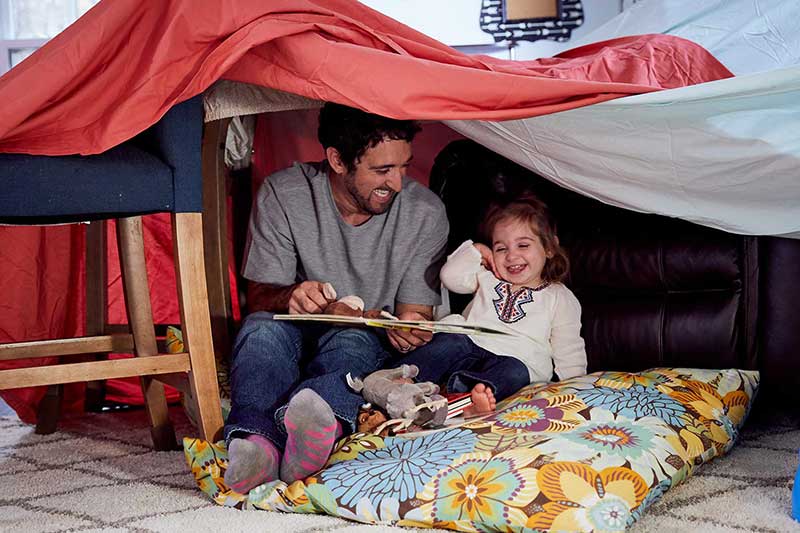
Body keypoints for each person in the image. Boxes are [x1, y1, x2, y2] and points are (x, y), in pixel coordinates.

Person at [223, 103, 449, 492]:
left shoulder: (424, 212)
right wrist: (295, 297)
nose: (396, 183)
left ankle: (313, 435)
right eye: (382, 171)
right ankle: (257, 443)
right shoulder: (284, 192)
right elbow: (259, 296)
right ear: (338, 160)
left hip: (362, 339)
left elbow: (414, 315)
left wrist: (404, 328)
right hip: (293, 332)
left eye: (404, 167)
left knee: (351, 339)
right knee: (260, 330)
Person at [396, 194, 587, 415]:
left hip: (513, 359)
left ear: (549, 248)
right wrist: (477, 250)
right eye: (500, 248)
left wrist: (575, 391)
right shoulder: (487, 277)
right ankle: (402, 380)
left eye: (523, 245)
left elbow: (569, 348)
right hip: (468, 347)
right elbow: (450, 277)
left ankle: (467, 403)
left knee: (516, 373)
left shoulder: (559, 296)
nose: (511, 256)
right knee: (450, 341)